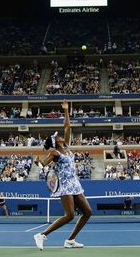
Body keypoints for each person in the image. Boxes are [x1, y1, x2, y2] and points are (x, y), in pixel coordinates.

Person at [34, 100, 91, 250]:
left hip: (75, 184)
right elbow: (43, 166)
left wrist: (66, 110)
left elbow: (67, 126)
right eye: (57, 136)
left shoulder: (67, 147)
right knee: (70, 215)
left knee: (87, 212)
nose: (60, 136)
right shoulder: (54, 152)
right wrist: (37, 163)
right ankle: (42, 235)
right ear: (55, 141)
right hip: (65, 185)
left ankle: (70, 240)